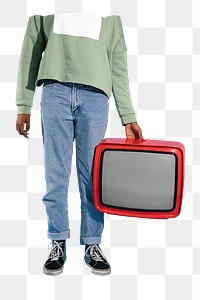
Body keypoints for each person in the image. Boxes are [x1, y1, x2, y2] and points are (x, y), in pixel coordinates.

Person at [15, 13, 143, 276]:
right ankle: (57, 240)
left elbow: (117, 64)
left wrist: (127, 115)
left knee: (93, 177)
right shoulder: (46, 12)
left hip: (95, 95)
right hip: (55, 92)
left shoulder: (110, 16)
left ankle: (92, 244)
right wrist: (23, 104)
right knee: (56, 175)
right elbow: (30, 52)